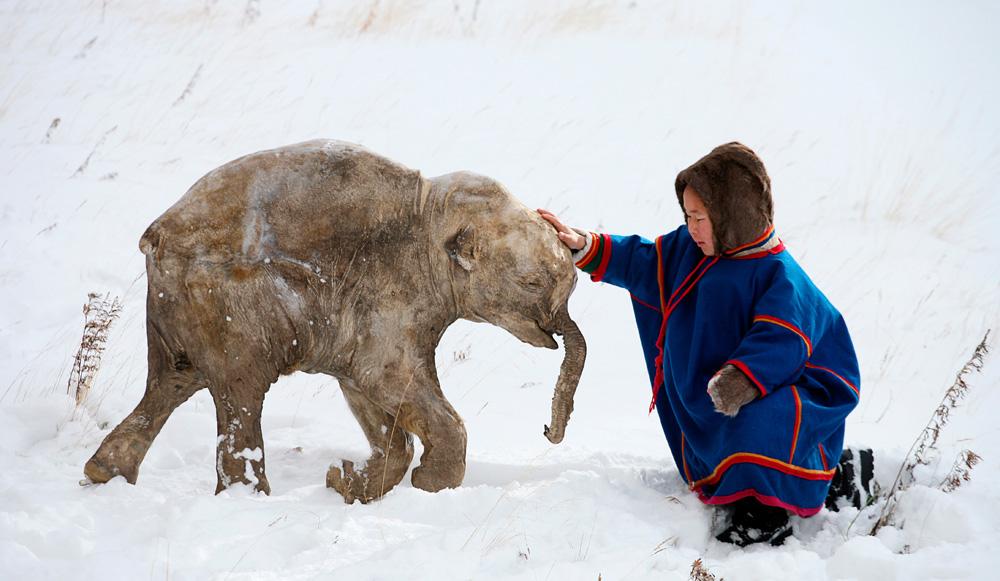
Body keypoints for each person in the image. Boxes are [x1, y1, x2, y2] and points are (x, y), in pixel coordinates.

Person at [538, 142, 870, 547]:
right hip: (721, 392)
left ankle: (767, 513)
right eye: (687, 216)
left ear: (733, 216)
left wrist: (741, 380)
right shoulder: (692, 250)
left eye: (700, 217)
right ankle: (809, 479)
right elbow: (646, 261)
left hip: (796, 390)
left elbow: (782, 338)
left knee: (756, 425)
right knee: (725, 428)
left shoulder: (776, 273)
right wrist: (586, 246)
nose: (691, 227)